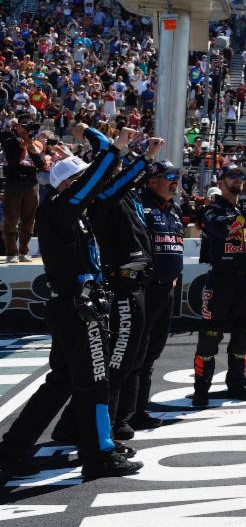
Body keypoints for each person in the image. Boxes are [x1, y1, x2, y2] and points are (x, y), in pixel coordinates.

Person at [0, 124, 142, 479]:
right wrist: (114, 151)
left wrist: (134, 158)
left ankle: (10, 453)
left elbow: (105, 187)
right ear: (67, 184)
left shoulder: (72, 213)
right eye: (79, 179)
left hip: (76, 306)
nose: (88, 187)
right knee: (95, 382)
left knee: (61, 382)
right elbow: (93, 183)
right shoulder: (60, 208)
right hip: (79, 309)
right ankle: (100, 455)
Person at [88, 130, 163, 440]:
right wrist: (143, 157)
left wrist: (141, 160)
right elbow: (121, 179)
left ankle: (120, 419)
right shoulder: (103, 195)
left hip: (139, 284)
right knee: (118, 362)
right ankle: (105, 430)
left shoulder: (127, 196)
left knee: (134, 357)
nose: (119, 168)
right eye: (114, 165)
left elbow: (128, 181)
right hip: (120, 286)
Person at [193, 165, 246, 408]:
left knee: (244, 335)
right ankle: (201, 390)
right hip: (221, 280)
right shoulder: (211, 209)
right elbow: (226, 229)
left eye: (241, 176)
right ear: (221, 180)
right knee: (209, 337)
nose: (239, 180)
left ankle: (236, 384)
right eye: (233, 176)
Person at [130, 159, 184, 429]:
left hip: (166, 290)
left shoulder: (173, 208)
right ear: (151, 181)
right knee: (137, 353)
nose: (175, 181)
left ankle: (139, 409)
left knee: (151, 353)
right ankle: (126, 414)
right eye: (169, 176)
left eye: (176, 176)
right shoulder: (141, 206)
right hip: (145, 291)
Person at [2, 117, 45, 262]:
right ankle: (11, 252)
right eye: (23, 125)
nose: (26, 128)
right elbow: (12, 162)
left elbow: (41, 165)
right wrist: (22, 145)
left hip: (31, 182)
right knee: (11, 218)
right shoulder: (10, 141)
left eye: (28, 126)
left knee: (29, 219)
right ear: (17, 127)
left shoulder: (36, 143)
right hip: (14, 182)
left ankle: (23, 251)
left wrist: (30, 146)